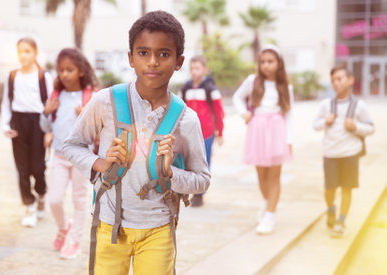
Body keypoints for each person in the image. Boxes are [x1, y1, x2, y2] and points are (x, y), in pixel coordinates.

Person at [62, 11, 210, 274]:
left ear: (179, 61)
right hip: (109, 225)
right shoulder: (105, 101)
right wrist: (101, 162)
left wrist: (169, 173)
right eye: (143, 53)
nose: (152, 62)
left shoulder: (186, 119)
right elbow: (71, 145)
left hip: (159, 229)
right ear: (130, 58)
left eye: (164, 54)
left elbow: (201, 179)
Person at [39, 48, 98, 258]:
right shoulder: (56, 96)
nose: (64, 74)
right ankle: (64, 227)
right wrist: (46, 112)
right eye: (61, 70)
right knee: (54, 199)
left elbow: (97, 131)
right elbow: (46, 128)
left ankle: (74, 242)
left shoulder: (91, 98)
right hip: (60, 157)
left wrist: (86, 117)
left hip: (81, 158)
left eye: (69, 70)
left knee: (80, 200)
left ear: (81, 71)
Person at [232, 45, 293, 235]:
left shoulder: (285, 86)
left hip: (277, 130)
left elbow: (289, 114)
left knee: (274, 175)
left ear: (279, 63)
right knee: (261, 175)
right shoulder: (253, 81)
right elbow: (237, 97)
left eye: (270, 61)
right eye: (263, 61)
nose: (266, 65)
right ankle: (268, 204)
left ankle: (269, 216)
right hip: (257, 130)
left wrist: (289, 140)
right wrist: (244, 113)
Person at [313, 63, 374, 238]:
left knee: (347, 188)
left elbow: (370, 127)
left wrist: (355, 127)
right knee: (329, 188)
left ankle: (341, 220)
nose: (336, 83)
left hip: (350, 154)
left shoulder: (359, 105)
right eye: (333, 80)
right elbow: (315, 125)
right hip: (330, 153)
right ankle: (331, 208)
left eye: (339, 79)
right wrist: (326, 121)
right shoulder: (326, 105)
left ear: (350, 80)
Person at [0, 37, 53, 228]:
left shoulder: (43, 77)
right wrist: (6, 126)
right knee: (22, 169)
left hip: (38, 123)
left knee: (38, 167)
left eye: (28, 51)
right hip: (18, 123)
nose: (24, 55)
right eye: (21, 51)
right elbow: (6, 102)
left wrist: (49, 131)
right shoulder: (12, 76)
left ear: (35, 53)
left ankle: (41, 194)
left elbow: (50, 106)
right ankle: (29, 206)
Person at [180, 55, 225, 207]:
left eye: (197, 68)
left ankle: (199, 194)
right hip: (187, 134)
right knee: (186, 162)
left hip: (206, 133)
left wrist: (220, 131)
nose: (194, 71)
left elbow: (219, 112)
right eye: (191, 68)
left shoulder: (210, 89)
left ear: (205, 70)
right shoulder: (185, 88)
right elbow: (179, 110)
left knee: (203, 163)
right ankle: (186, 188)